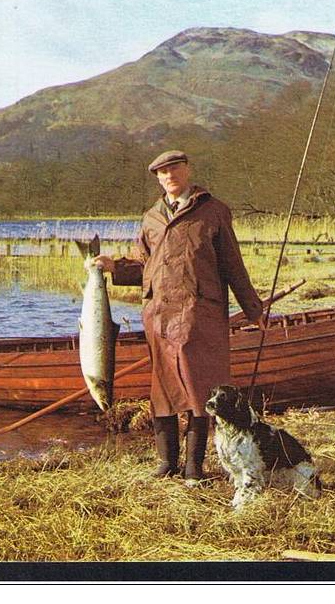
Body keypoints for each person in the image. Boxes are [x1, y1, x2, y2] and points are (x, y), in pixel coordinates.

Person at [91, 150, 266, 483]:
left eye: (174, 169)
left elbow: (233, 266)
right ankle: (167, 464)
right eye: (161, 172)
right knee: (163, 392)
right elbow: (145, 266)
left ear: (187, 170)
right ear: (157, 178)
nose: (168, 175)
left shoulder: (214, 212)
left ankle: (193, 468)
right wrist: (114, 266)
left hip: (201, 316)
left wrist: (253, 310)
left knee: (200, 392)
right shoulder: (151, 218)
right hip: (158, 318)